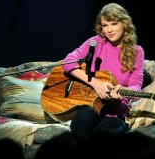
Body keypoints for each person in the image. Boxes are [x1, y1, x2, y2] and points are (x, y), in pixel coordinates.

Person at [61, 3, 144, 140]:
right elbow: (67, 62)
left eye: (114, 24)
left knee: (104, 135)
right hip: (90, 105)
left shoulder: (137, 52)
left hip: (115, 111)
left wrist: (122, 90)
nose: (109, 30)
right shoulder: (96, 42)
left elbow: (136, 86)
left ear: (124, 24)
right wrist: (95, 83)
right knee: (83, 114)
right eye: (105, 25)